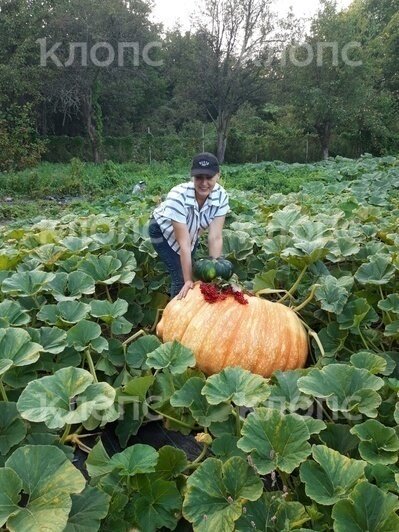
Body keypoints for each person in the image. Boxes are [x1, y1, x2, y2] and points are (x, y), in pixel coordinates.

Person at [149, 152, 229, 300]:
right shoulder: (178, 196)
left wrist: (216, 276)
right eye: (199, 177)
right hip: (161, 231)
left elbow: (215, 237)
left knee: (191, 272)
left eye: (209, 178)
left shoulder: (222, 196)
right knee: (181, 279)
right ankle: (174, 319)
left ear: (218, 175)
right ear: (192, 176)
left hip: (191, 232)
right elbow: (183, 243)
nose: (204, 183)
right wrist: (187, 281)